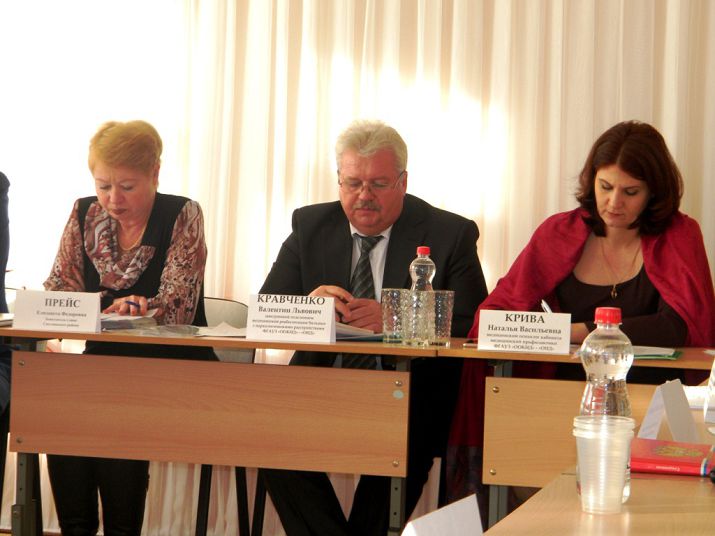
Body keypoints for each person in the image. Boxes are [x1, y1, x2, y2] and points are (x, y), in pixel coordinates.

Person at [448, 120, 715, 500]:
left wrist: (580, 331)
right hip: (565, 397)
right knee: (530, 480)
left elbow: (679, 326)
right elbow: (498, 310)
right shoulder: (559, 232)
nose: (614, 203)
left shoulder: (680, 234)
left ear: (654, 192)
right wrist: (532, 328)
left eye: (630, 192)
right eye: (605, 187)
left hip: (654, 402)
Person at [258, 119, 488, 535]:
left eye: (378, 184)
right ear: (339, 180)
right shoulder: (310, 226)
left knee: (401, 444)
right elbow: (268, 309)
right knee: (267, 436)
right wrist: (311, 308)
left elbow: (472, 324)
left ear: (403, 182)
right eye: (352, 183)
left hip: (411, 391)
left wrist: (399, 318)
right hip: (322, 385)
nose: (364, 196)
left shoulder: (449, 233)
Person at [44, 120, 214, 536]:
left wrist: (144, 308)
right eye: (103, 186)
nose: (113, 199)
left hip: (171, 363)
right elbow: (60, 287)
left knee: (111, 409)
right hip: (104, 364)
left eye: (127, 186)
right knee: (58, 410)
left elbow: (179, 305)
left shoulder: (182, 213)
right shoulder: (84, 213)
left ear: (155, 173)